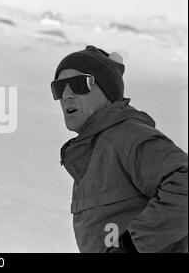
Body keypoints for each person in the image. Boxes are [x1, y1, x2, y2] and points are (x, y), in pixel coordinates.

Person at [51, 45, 188, 253]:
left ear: (107, 91)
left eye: (80, 84)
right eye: (59, 88)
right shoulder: (92, 152)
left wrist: (132, 245)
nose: (67, 95)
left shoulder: (127, 136)